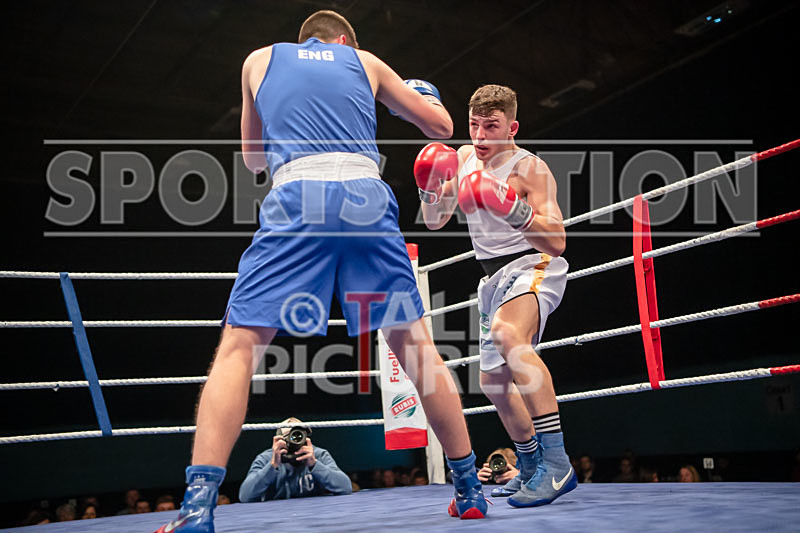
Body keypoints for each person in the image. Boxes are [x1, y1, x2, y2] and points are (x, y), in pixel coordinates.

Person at [156, 10, 486, 532]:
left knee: (239, 347)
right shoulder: (365, 61)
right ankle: (469, 489)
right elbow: (442, 129)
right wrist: (426, 98)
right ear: (341, 40)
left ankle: (198, 507)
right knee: (417, 348)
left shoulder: (259, 60)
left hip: (295, 197)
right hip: (364, 199)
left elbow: (253, 161)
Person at [417, 84, 575, 508]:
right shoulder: (465, 158)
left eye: (492, 126)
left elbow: (557, 240)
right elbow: (435, 221)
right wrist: (428, 187)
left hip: (533, 263)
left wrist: (510, 207)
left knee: (509, 337)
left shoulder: (531, 170)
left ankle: (557, 465)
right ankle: (528, 466)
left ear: (512, 127)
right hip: (492, 279)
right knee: (493, 383)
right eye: (474, 126)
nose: (481, 136)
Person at [239, 417, 352, 501]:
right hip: (276, 517)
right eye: (291, 436)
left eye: (300, 435)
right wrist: (272, 466)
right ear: (280, 440)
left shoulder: (318, 454)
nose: (296, 440)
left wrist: (315, 465)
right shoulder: (266, 458)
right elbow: (245, 496)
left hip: (314, 514)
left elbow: (345, 487)